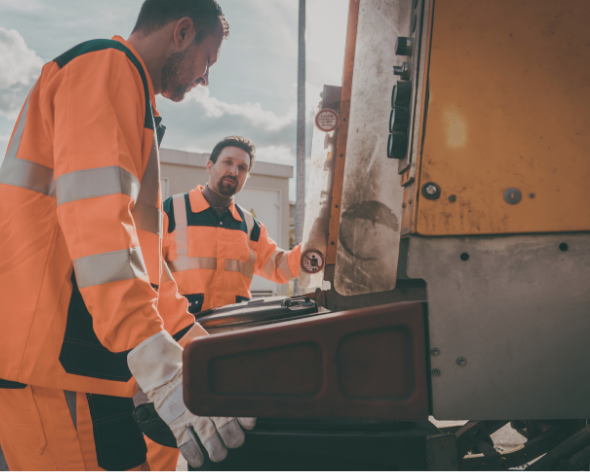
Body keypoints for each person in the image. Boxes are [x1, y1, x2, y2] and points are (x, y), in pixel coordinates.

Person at [0, 1, 255, 471]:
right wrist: (157, 363)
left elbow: (143, 258)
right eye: (208, 60)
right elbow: (98, 229)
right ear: (181, 33)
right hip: (56, 365)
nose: (204, 79)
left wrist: (190, 342)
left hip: (84, 364)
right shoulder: (105, 67)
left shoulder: (129, 94)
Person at [146, 136, 302, 471]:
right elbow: (147, 274)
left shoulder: (249, 225)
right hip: (178, 346)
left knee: (224, 438)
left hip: (229, 350)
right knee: (166, 436)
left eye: (242, 167)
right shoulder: (171, 211)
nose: (234, 170)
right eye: (228, 162)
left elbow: (279, 266)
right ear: (210, 165)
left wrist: (313, 252)